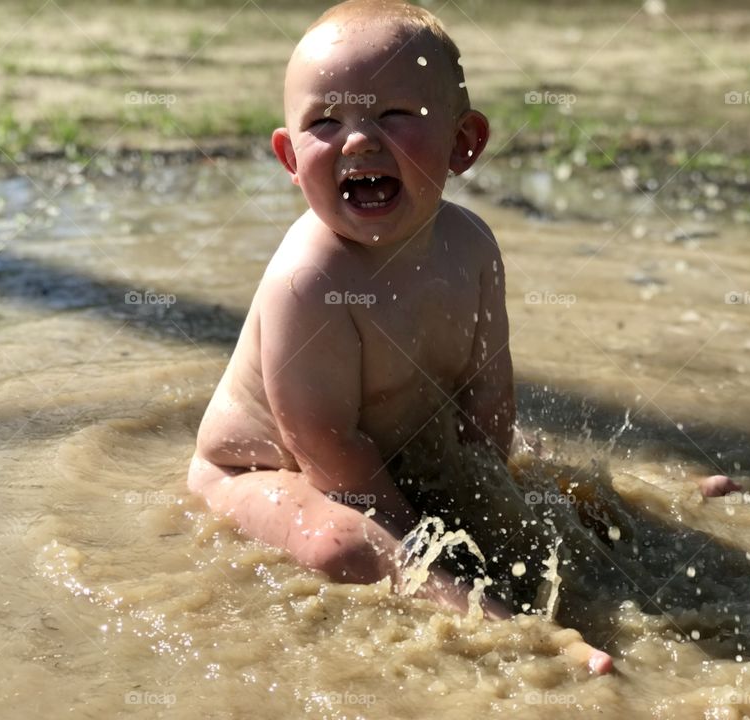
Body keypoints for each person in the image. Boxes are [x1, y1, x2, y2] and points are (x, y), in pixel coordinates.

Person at [187, 0, 615, 673]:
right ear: (290, 158)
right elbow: (323, 446)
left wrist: (489, 496)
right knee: (343, 545)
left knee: (542, 500)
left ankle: (629, 511)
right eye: (324, 122)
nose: (357, 140)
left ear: (462, 143)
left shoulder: (471, 246)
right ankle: (511, 633)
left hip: (388, 451)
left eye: (393, 116)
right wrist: (423, 540)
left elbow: (487, 395)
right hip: (267, 467)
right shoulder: (313, 279)